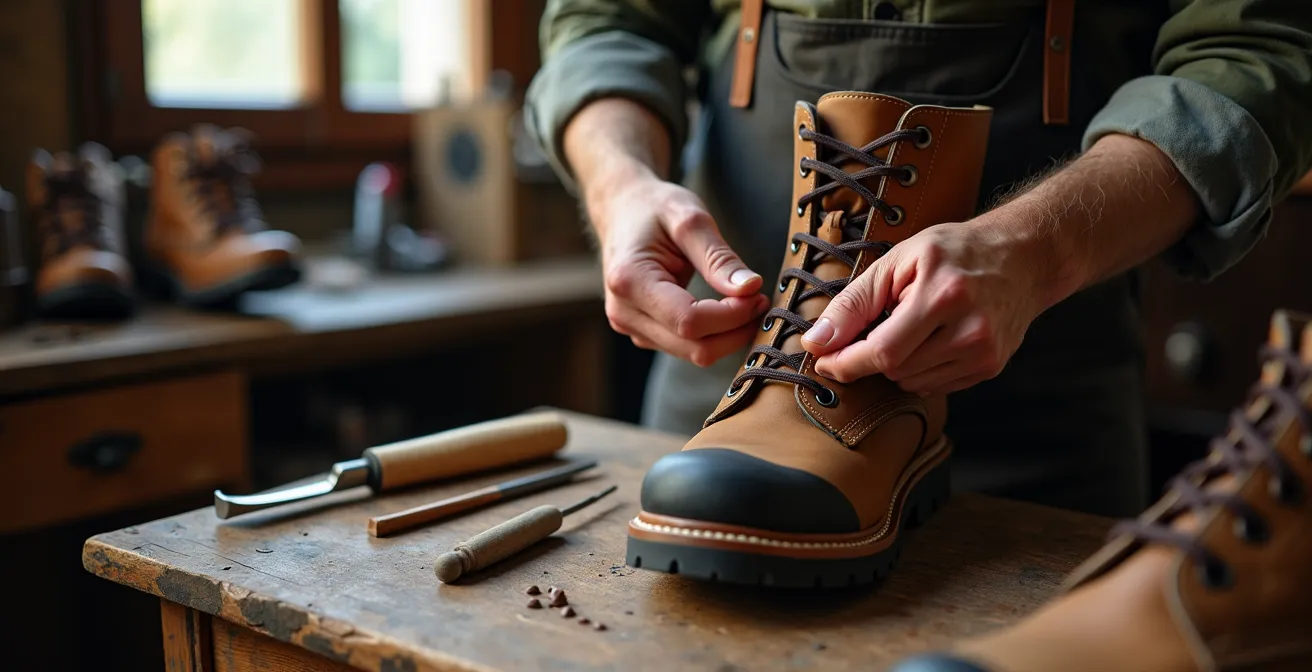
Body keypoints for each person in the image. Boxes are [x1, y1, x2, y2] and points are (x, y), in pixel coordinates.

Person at [524, 0, 1312, 517]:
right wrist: (619, 183)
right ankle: (792, 382)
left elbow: (1258, 50)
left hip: (1039, 436)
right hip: (716, 408)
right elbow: (608, 19)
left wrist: (1029, 250)